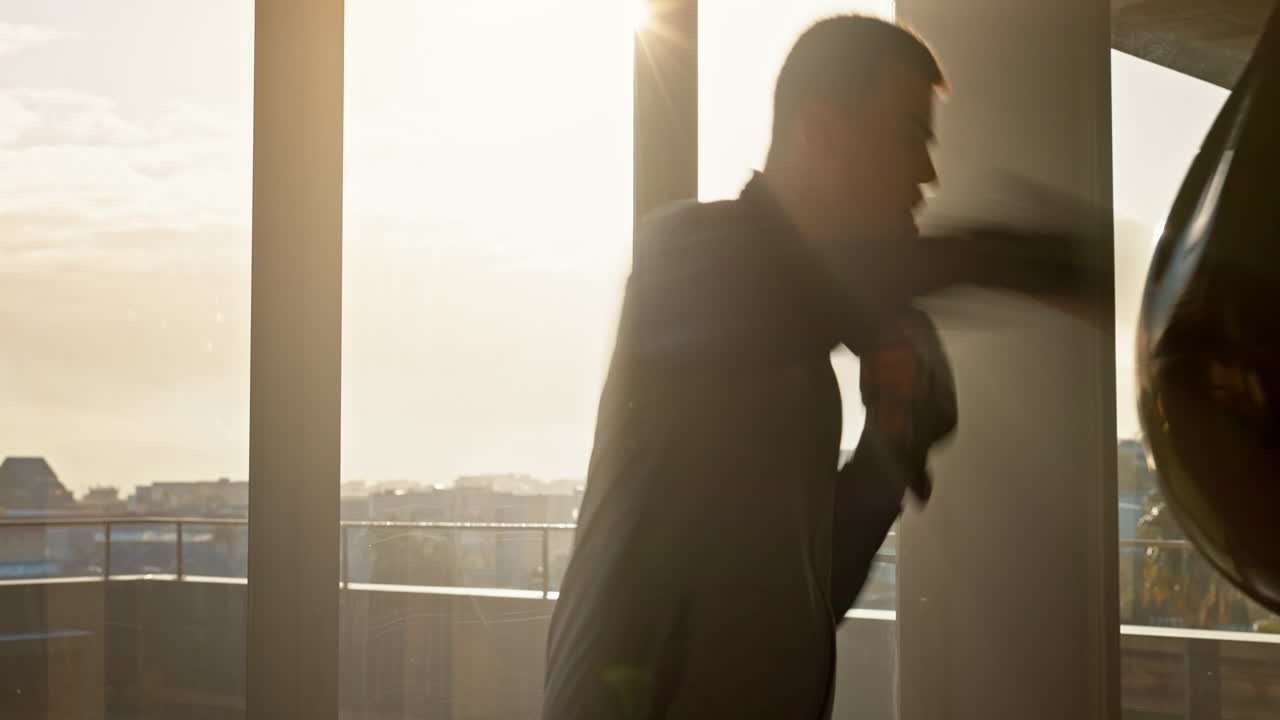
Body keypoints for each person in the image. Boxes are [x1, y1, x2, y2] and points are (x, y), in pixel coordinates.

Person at [542, 14, 1088, 719]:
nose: (927, 175)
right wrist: (1006, 259)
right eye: (909, 139)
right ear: (823, 133)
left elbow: (812, 593)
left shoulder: (802, 366)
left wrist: (892, 444)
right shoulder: (682, 257)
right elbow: (785, 291)